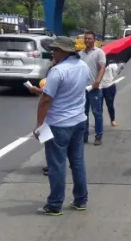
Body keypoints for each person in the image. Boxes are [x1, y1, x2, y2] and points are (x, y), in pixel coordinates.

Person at [33, 37, 91, 216]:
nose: (53, 53)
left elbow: (46, 100)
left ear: (64, 51)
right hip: (78, 120)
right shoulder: (83, 66)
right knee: (77, 163)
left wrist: (39, 125)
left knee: (56, 165)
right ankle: (81, 200)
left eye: (55, 50)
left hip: (58, 124)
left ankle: (54, 204)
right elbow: (77, 88)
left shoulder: (57, 71)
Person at [79, 31, 106, 146]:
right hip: (83, 89)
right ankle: (84, 136)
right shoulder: (80, 54)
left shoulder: (99, 52)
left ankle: (98, 136)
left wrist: (97, 81)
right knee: (83, 113)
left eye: (89, 38)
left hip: (95, 88)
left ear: (94, 40)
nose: (87, 40)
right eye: (85, 38)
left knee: (96, 113)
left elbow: (102, 68)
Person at [101, 61, 124, 127]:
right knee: (99, 107)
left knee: (110, 105)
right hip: (99, 87)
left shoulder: (111, 63)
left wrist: (120, 68)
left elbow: (116, 73)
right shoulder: (97, 62)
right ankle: (99, 122)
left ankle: (112, 120)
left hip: (109, 86)